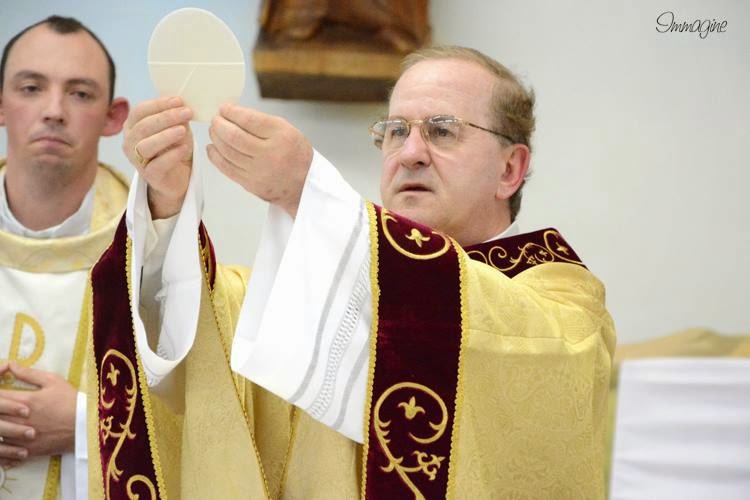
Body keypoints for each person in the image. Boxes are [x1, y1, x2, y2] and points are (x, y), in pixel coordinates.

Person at [88, 46, 615, 498]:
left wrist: (304, 193)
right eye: (395, 131)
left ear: (510, 169)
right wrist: (166, 209)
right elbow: (203, 339)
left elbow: (472, 323)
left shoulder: (563, 304)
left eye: (442, 131)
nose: (410, 153)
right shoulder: (322, 276)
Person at [0, 15, 129, 499]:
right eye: (31, 88)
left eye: (80, 93)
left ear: (113, 116)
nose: (54, 111)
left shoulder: (150, 251)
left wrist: (83, 422)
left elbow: (201, 416)